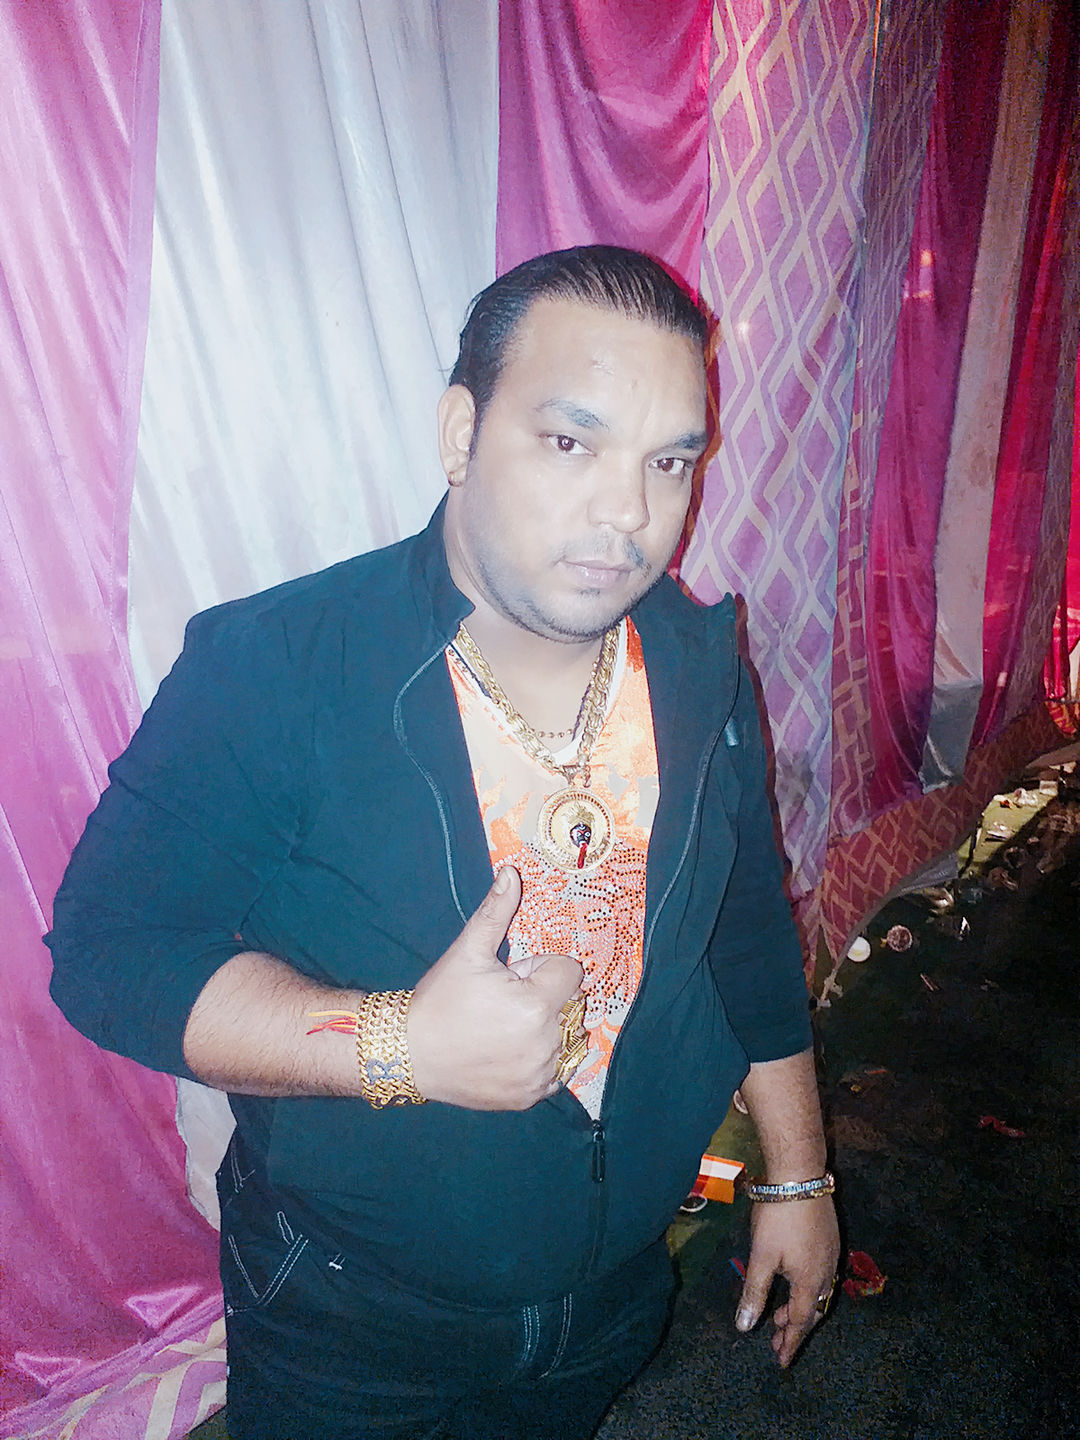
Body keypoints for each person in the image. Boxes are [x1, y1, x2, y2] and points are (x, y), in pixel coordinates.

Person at [47, 246, 839, 1440]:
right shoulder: (277, 666)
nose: (629, 514)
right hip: (348, 1316)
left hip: (616, 1293)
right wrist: (399, 1043)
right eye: (570, 443)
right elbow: (108, 955)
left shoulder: (697, 659)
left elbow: (746, 926)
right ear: (461, 434)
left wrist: (799, 1174)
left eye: (670, 461)